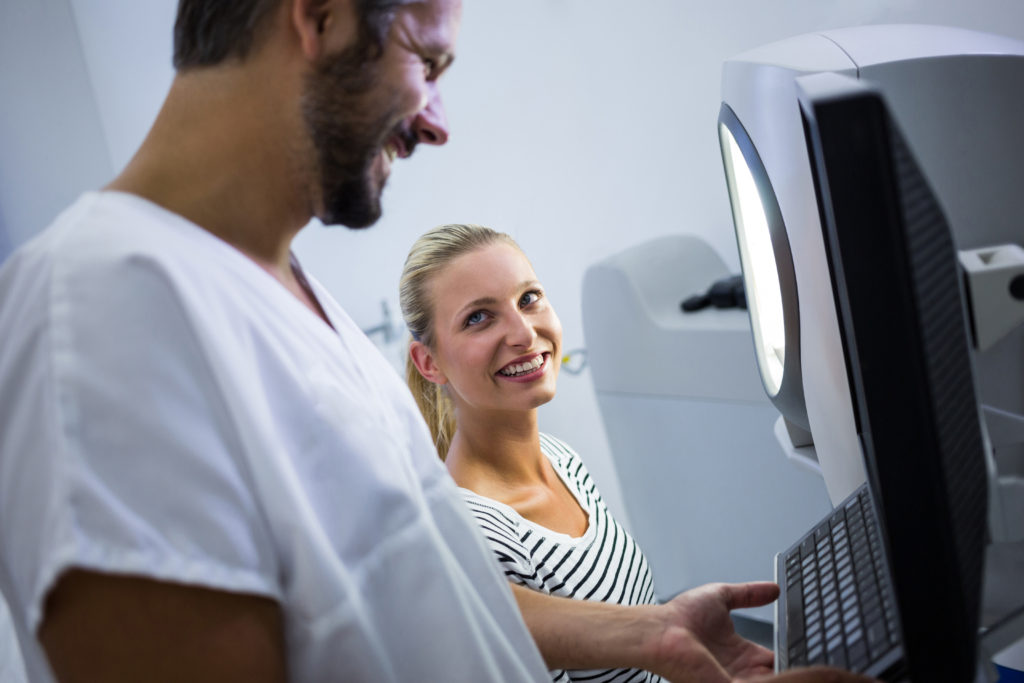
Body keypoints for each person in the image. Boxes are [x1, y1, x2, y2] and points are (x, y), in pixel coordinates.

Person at [0, 0, 877, 681]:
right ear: (320, 16)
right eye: (427, 59)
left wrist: (649, 630)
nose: (438, 121)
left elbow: (420, 596)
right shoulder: (99, 314)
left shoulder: (299, 301)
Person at [398, 223, 879, 682]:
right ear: (429, 362)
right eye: (478, 318)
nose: (523, 333)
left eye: (529, 298)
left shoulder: (559, 459)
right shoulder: (482, 538)